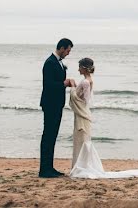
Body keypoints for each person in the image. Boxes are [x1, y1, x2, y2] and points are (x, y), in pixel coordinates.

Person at [69, 57, 138, 179]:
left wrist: (72, 87)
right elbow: (84, 100)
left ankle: (81, 167)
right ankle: (81, 165)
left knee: (82, 141)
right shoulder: (88, 80)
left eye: (79, 67)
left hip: (82, 115)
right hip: (82, 113)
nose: (78, 69)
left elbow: (84, 101)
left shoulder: (85, 82)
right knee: (83, 141)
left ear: (83, 68)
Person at [39, 38, 75, 178]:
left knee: (52, 136)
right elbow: (48, 85)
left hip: (56, 104)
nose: (68, 53)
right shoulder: (49, 63)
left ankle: (50, 167)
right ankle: (44, 169)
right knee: (48, 136)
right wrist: (64, 83)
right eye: (67, 50)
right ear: (61, 48)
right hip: (50, 104)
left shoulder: (58, 63)